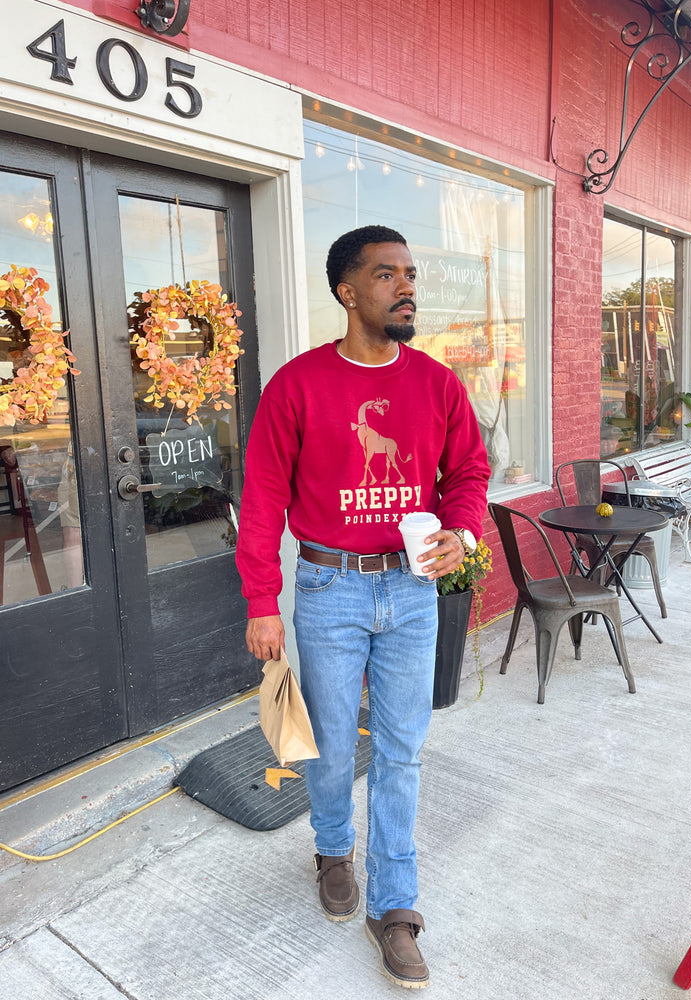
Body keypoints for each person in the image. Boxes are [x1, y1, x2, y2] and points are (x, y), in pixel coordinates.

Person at [236, 225, 490, 989]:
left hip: (412, 589)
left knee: (403, 749)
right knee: (333, 742)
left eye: (411, 274)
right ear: (348, 291)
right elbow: (263, 499)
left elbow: (468, 470)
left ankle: (395, 906)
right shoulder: (297, 385)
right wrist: (262, 599)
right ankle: (331, 848)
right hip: (328, 588)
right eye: (387, 275)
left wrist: (462, 531)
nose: (407, 286)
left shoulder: (439, 383)